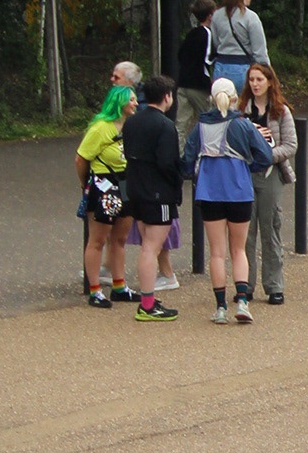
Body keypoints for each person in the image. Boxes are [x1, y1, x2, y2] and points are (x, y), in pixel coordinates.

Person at [182, 77, 273, 325]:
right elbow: (265, 155)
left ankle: (220, 307)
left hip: (210, 192)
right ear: (234, 98)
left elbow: (187, 160)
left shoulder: (200, 127)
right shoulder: (243, 125)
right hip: (239, 191)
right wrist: (247, 167)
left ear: (211, 99)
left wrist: (194, 173)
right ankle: (242, 301)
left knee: (217, 253)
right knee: (239, 249)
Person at [119, 75, 182, 322]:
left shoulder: (132, 122)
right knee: (151, 247)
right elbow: (168, 163)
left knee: (147, 243)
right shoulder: (165, 126)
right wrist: (176, 184)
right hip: (157, 192)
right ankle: (147, 304)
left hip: (135, 187)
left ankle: (148, 300)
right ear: (167, 96)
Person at [240, 63, 298, 306]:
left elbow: (291, 145)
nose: (255, 84)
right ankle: (245, 285)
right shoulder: (241, 109)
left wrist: (267, 155)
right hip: (244, 175)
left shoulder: (281, 111)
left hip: (271, 174)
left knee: (271, 228)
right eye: (252, 80)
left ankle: (274, 286)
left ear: (270, 82)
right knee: (245, 232)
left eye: (259, 79)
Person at [77, 84, 138, 308]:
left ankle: (119, 286)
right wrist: (85, 184)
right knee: (98, 240)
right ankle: (95, 290)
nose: (136, 103)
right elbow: (81, 158)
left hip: (125, 183)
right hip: (104, 184)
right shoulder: (100, 128)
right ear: (119, 102)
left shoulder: (130, 126)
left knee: (120, 238)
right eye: (131, 100)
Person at [210, 0, 269, 94]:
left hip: (220, 67)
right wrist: (266, 70)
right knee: (243, 103)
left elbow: (215, 42)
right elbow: (259, 51)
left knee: (222, 102)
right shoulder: (250, 17)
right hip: (242, 68)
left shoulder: (217, 15)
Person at [175, 0, 215, 142]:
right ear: (210, 15)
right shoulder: (207, 34)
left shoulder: (191, 33)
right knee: (210, 118)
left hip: (183, 83)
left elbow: (180, 54)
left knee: (181, 124)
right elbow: (208, 58)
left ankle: (178, 152)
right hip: (198, 85)